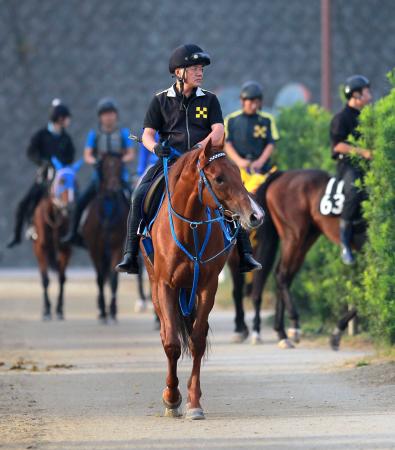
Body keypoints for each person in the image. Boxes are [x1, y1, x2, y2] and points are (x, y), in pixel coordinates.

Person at [116, 44, 261, 274]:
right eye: (195, 68)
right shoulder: (160, 101)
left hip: (205, 163)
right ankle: (130, 254)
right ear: (179, 72)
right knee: (139, 195)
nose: (200, 73)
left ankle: (245, 254)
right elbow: (147, 134)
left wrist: (199, 148)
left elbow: (218, 131)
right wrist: (156, 148)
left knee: (235, 191)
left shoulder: (210, 100)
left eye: (201, 69)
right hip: (170, 164)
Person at [62, 98, 134, 245]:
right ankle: (74, 233)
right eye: (105, 114)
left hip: (120, 177)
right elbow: (87, 155)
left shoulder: (124, 133)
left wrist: (120, 161)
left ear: (116, 115)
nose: (109, 117)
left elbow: (131, 153)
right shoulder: (94, 135)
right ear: (100, 117)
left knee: (135, 201)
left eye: (111, 113)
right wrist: (96, 162)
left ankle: (139, 236)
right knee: (81, 201)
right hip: (100, 177)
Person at [7, 99, 75, 248]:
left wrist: (63, 167)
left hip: (62, 179)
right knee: (24, 203)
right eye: (66, 117)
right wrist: (43, 162)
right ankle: (20, 234)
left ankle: (74, 233)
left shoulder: (66, 138)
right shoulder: (41, 135)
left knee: (76, 199)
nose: (68, 120)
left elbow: (71, 156)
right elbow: (30, 152)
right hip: (45, 177)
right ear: (59, 118)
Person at [330, 75, 372, 265]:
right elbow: (337, 146)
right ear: (356, 94)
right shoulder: (342, 118)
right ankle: (345, 242)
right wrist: (362, 152)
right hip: (348, 165)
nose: (369, 95)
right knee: (354, 191)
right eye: (366, 92)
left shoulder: (367, 117)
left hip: (367, 165)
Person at [225, 81, 279, 176]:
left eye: (256, 102)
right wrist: (239, 161)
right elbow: (227, 143)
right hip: (237, 170)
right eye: (250, 102)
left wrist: (260, 162)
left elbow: (271, 143)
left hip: (262, 169)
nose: (254, 106)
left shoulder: (267, 119)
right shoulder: (231, 119)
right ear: (243, 101)